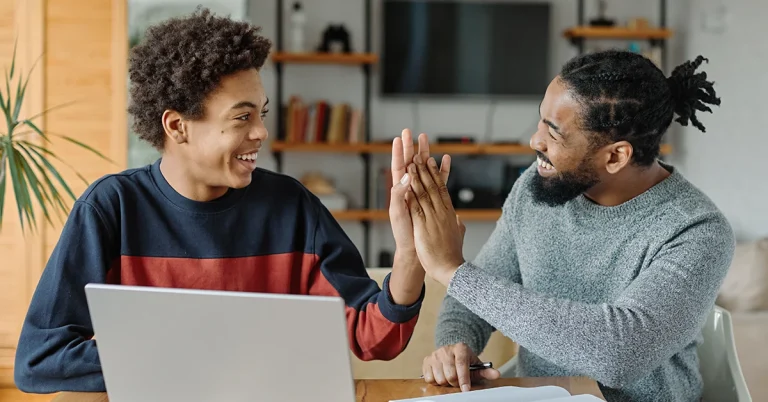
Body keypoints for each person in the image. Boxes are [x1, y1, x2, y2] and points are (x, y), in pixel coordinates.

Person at [13, 8, 448, 393]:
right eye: (242, 117)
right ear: (177, 126)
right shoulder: (112, 209)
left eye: (262, 112)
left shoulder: (291, 207)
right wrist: (181, 360)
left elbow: (375, 337)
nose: (261, 132)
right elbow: (41, 360)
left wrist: (410, 254)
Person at [397, 50, 734, 402]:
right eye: (541, 121)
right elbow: (471, 302)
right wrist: (455, 347)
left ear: (616, 156)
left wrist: (453, 271)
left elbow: (619, 353)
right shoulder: (534, 188)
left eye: (554, 133)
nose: (534, 141)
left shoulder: (697, 230)